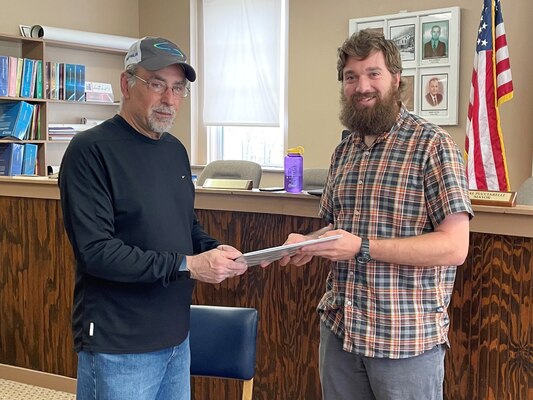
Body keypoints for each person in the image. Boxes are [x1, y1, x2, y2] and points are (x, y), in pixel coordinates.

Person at [279, 29, 473, 400]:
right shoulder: (345, 150)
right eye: (351, 77)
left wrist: (362, 247)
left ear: (396, 79)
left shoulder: (433, 146)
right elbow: (340, 230)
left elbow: (454, 247)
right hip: (341, 331)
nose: (361, 85)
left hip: (404, 341)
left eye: (373, 73)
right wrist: (309, 244)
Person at [59, 36, 248, 400]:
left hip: (176, 337)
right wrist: (189, 265)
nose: (170, 99)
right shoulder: (90, 151)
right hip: (119, 344)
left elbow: (184, 226)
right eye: (157, 84)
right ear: (126, 84)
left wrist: (214, 250)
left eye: (178, 89)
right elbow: (97, 252)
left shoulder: (174, 150)